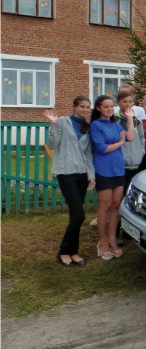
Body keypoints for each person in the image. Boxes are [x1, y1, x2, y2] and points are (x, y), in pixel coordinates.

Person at [44, 97, 96, 267]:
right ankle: (63, 252)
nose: (85, 109)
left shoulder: (87, 127)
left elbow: (88, 153)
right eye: (82, 106)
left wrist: (91, 175)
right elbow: (51, 144)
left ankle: (73, 252)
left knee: (75, 216)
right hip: (65, 173)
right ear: (74, 107)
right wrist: (53, 123)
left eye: (88, 107)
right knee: (79, 215)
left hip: (81, 174)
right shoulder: (62, 122)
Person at [90, 95, 134, 260]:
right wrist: (119, 143)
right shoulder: (96, 125)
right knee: (105, 205)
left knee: (116, 204)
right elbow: (102, 148)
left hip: (118, 169)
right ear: (98, 108)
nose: (109, 109)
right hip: (103, 169)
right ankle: (102, 242)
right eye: (105, 107)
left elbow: (130, 137)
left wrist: (129, 119)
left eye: (111, 106)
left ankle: (111, 239)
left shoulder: (115, 124)